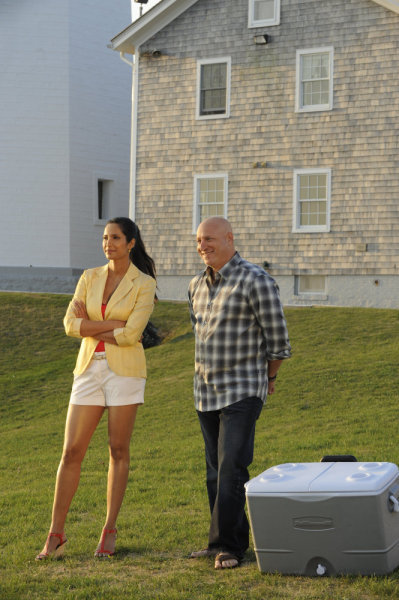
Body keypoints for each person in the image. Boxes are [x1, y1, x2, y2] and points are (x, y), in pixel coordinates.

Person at [36, 217, 157, 560]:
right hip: (88, 370)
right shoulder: (89, 277)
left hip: (126, 373)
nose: (108, 244)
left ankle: (109, 530)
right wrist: (109, 326)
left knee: (118, 450)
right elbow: (69, 325)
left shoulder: (144, 283)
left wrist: (90, 326)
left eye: (115, 238)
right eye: (105, 238)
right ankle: (55, 534)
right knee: (71, 452)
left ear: (131, 242)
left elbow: (132, 334)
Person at [188, 217, 291, 570]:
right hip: (205, 391)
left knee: (233, 466)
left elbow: (278, 342)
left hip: (243, 389)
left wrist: (269, 378)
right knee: (215, 471)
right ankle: (220, 541)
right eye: (199, 240)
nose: (203, 245)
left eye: (210, 239)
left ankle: (230, 548)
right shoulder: (196, 285)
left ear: (230, 238)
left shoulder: (256, 280)